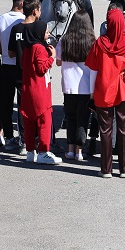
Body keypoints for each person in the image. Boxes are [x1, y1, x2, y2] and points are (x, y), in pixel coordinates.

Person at [85, 9, 125, 178]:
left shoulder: (100, 43)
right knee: (124, 129)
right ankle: (124, 169)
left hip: (103, 90)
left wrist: (91, 93)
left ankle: (106, 169)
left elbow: (92, 70)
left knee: (105, 131)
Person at [0, 0, 30, 148]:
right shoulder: (24, 21)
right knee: (22, 104)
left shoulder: (1, 19)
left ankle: (8, 137)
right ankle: (23, 138)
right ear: (22, 3)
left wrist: (5, 55)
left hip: (5, 65)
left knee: (5, 103)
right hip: (21, 67)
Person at [20, 19, 61, 164]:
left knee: (29, 122)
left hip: (27, 89)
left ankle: (30, 151)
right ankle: (44, 152)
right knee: (44, 120)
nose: (48, 33)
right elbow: (41, 68)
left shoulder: (28, 47)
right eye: (46, 31)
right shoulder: (39, 48)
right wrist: (52, 57)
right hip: (39, 91)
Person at [56, 10, 95, 161]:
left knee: (70, 118)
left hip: (68, 86)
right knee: (83, 119)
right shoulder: (92, 42)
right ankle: (80, 151)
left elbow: (58, 61)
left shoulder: (64, 40)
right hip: (85, 87)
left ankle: (70, 149)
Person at [7, 0, 42, 155]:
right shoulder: (41, 27)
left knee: (23, 108)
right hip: (38, 75)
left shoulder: (16, 29)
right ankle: (40, 140)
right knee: (40, 108)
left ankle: (24, 141)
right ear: (35, 11)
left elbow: (11, 52)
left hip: (20, 74)